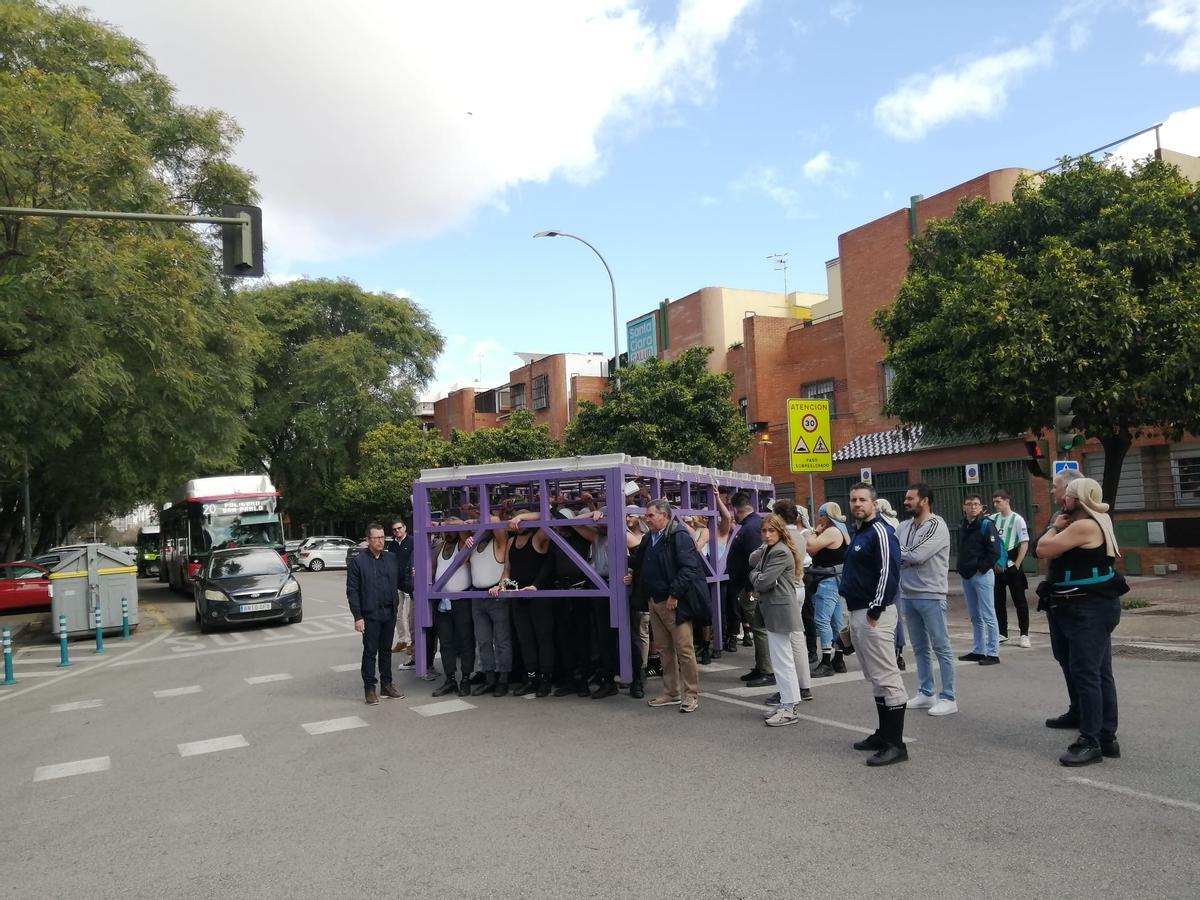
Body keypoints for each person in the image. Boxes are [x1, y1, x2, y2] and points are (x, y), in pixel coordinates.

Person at [1036, 475, 1127, 767]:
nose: (1062, 499)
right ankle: (1105, 735)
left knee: (1089, 673)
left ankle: (1092, 740)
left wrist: (1053, 527)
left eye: (1067, 495)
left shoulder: (1085, 524)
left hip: (1088, 608)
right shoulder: (1096, 519)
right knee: (1096, 672)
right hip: (1079, 605)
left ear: (1076, 498)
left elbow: (1043, 549)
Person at [841, 482, 908, 766]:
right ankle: (883, 735)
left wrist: (876, 608)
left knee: (887, 678)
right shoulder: (860, 532)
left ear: (874, 503)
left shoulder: (881, 531)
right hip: (858, 611)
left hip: (873, 614)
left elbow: (888, 571)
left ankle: (896, 744)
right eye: (853, 500)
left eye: (862, 500)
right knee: (876, 678)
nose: (857, 504)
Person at [625, 499, 710, 713]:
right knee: (664, 648)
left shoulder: (678, 535)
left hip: (673, 602)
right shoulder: (649, 538)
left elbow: (690, 567)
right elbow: (639, 562)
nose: (647, 518)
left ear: (664, 515)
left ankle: (690, 695)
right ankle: (671, 692)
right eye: (647, 515)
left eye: (651, 515)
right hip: (654, 600)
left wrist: (674, 594)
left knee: (684, 649)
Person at [896, 483, 956, 717]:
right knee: (920, 647)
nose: (906, 502)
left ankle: (949, 697)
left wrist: (902, 552)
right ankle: (926, 692)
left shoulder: (936, 525)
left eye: (910, 498)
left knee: (941, 646)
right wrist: (904, 552)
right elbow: (898, 550)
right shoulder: (904, 526)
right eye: (906, 498)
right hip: (908, 594)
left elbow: (917, 555)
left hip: (931, 594)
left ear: (924, 501)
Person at [749, 514, 808, 727]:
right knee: (781, 660)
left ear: (780, 531)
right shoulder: (771, 549)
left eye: (771, 531)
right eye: (764, 531)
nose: (766, 535)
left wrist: (756, 576)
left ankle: (789, 706)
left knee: (783, 661)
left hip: (780, 609)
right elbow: (755, 567)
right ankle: (786, 703)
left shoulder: (780, 551)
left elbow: (762, 580)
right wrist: (759, 575)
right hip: (775, 609)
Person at [495, 513, 555, 697]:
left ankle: (546, 679)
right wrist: (501, 585)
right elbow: (507, 569)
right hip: (517, 595)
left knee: (543, 637)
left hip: (538, 595)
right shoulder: (512, 542)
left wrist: (521, 515)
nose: (517, 524)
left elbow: (548, 517)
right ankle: (531, 678)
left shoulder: (538, 537)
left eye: (521, 521)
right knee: (525, 638)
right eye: (515, 521)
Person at [762, 499, 814, 708]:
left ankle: (791, 691)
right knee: (796, 640)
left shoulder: (780, 539)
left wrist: (757, 576)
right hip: (798, 586)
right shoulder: (800, 535)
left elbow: (759, 567)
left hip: (784, 591)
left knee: (784, 647)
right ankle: (803, 685)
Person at [346, 523, 404, 705]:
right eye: (376, 538)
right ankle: (369, 688)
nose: (380, 541)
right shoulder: (358, 562)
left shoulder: (391, 558)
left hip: (389, 612)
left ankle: (387, 686)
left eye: (382, 537)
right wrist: (358, 617)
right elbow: (352, 591)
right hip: (370, 615)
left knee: (386, 651)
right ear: (368, 540)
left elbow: (400, 582)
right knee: (370, 652)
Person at [726, 492, 772, 687]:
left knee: (759, 630)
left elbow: (757, 560)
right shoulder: (751, 525)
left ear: (736, 510)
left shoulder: (751, 528)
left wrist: (750, 588)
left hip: (751, 588)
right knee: (758, 629)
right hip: (748, 586)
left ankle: (767, 670)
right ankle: (761, 667)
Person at [430, 518, 475, 698]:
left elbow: (466, 556)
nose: (447, 532)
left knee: (465, 640)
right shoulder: (439, 547)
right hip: (443, 602)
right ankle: (450, 679)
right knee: (446, 643)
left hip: (462, 600)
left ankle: (465, 678)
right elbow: (433, 569)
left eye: (451, 529)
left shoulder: (464, 543)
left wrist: (461, 528)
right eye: (445, 529)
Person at [469, 513, 513, 697]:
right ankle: (489, 678)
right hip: (477, 595)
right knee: (483, 641)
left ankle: (503, 679)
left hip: (497, 595)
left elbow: (495, 521)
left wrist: (476, 512)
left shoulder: (500, 543)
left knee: (502, 640)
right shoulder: (473, 545)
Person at [957, 494, 1002, 666]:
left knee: (989, 615)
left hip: (981, 576)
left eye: (976, 504)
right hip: (967, 575)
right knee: (975, 616)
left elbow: (994, 552)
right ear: (964, 507)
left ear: (981, 507)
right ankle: (978, 650)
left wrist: (980, 569)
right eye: (969, 504)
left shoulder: (986, 525)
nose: (973, 507)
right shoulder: (964, 524)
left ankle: (993, 653)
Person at [806, 502, 849, 678]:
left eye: (820, 514)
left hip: (828, 581)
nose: (819, 518)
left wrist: (814, 531)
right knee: (836, 621)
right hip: (835, 581)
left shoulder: (831, 531)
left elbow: (810, 548)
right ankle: (838, 660)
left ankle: (826, 662)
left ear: (827, 515)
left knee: (822, 620)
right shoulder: (842, 530)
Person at [991, 489, 1032, 648]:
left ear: (1007, 501)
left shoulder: (1017, 519)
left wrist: (1017, 564)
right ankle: (1003, 632)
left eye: (998, 501)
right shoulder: (993, 519)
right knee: (998, 601)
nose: (996, 505)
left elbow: (1024, 542)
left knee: (1019, 601)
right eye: (994, 502)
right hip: (998, 568)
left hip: (1012, 566)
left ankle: (1024, 634)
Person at [386, 520, 416, 660]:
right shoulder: (391, 545)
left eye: (399, 528)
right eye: (394, 529)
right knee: (398, 614)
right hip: (396, 584)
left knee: (409, 615)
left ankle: (410, 643)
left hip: (409, 584)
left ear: (404, 528)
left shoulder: (412, 541)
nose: (397, 531)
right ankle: (402, 640)